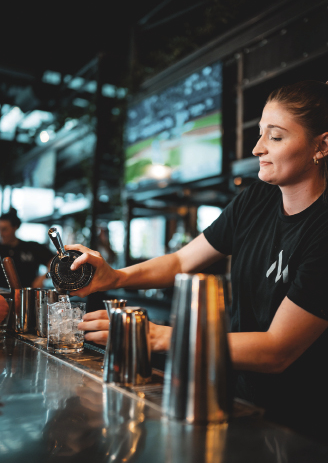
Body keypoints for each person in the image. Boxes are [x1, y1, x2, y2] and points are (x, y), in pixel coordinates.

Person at [67, 80, 328, 441]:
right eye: (260, 133)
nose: (257, 148)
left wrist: (158, 337)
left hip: (299, 426)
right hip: (237, 400)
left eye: (276, 137)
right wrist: (115, 277)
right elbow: (180, 262)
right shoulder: (256, 201)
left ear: (322, 146)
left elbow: (278, 350)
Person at [0, 208, 54, 288]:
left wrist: (43, 278)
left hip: (28, 296)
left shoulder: (31, 247)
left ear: (15, 227)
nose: (1, 233)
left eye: (4, 229)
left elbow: (54, 262)